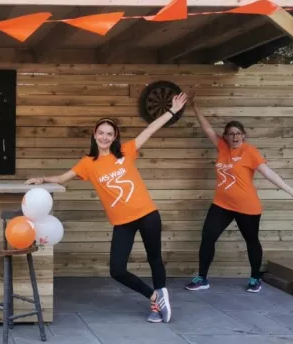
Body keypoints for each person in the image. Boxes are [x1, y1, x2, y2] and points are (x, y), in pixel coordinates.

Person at [25, 92, 189, 323]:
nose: (104, 137)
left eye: (109, 134)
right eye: (101, 133)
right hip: (122, 222)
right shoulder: (88, 163)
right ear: (94, 135)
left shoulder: (126, 152)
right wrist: (42, 179)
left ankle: (158, 304)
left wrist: (172, 110)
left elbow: (150, 130)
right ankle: (154, 296)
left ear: (115, 137)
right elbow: (63, 178)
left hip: (147, 214)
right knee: (117, 270)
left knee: (155, 259)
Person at [185, 96, 293, 293]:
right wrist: (195, 107)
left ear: (244, 135)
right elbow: (207, 129)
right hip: (221, 204)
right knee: (208, 236)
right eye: (231, 134)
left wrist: (292, 192)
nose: (234, 137)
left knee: (251, 241)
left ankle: (254, 278)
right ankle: (202, 278)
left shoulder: (250, 152)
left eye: (238, 134)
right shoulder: (223, 147)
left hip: (247, 207)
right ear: (225, 136)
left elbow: (269, 174)